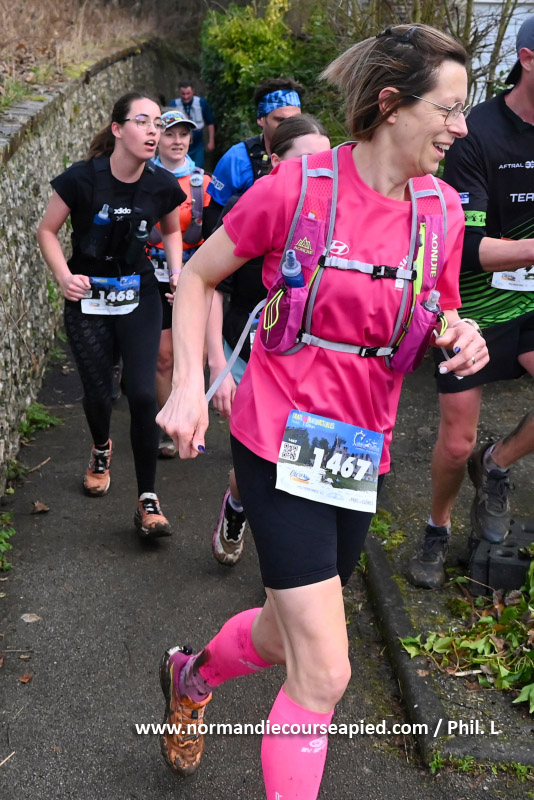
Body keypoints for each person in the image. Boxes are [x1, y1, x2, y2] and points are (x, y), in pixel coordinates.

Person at [156, 24, 488, 797]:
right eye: (450, 109)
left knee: (285, 636)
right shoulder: (299, 189)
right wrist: (188, 386)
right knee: (325, 672)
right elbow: (198, 276)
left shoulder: (441, 210)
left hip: (357, 452)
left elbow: (439, 308)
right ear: (393, 105)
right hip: (277, 439)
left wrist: (462, 333)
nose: (463, 128)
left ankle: (190, 675)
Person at [407, 15, 534, 590]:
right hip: (472, 308)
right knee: (455, 443)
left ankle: (498, 462)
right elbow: (469, 249)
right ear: (527, 59)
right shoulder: (475, 133)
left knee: (479, 452)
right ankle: (437, 527)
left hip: (530, 305)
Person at [37, 92, 185, 538]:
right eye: (143, 121)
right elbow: (47, 230)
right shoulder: (81, 179)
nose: (154, 131)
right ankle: (101, 447)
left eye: (158, 123)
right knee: (99, 394)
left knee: (141, 392)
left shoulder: (161, 184)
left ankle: (148, 499)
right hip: (88, 297)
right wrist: (64, 276)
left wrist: (177, 271)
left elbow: (172, 229)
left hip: (138, 293)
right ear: (118, 129)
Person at [207, 114, 331, 566]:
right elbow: (209, 286)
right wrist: (218, 368)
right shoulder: (254, 210)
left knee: (298, 473)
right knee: (261, 464)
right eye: (307, 161)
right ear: (276, 162)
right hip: (248, 353)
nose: (321, 174)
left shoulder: (340, 219)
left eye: (328, 162)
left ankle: (292, 575)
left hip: (314, 364)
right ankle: (238, 505)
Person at [148, 108, 212, 458]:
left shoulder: (204, 184)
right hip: (153, 274)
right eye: (170, 134)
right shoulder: (142, 179)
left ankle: (192, 416)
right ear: (157, 137)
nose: (177, 141)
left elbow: (217, 234)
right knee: (163, 356)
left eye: (183, 134)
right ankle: (167, 427)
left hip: (195, 275)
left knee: (196, 354)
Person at [206, 77, 304, 220]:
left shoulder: (312, 155)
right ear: (261, 119)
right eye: (280, 120)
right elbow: (214, 213)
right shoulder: (237, 158)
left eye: (295, 120)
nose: (289, 127)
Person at [169, 81, 215, 168]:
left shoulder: (201, 103)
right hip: (180, 142)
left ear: (193, 91)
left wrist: (211, 141)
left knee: (198, 166)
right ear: (179, 92)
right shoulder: (174, 104)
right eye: (183, 94)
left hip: (198, 142)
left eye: (188, 93)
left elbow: (210, 122)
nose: (186, 97)